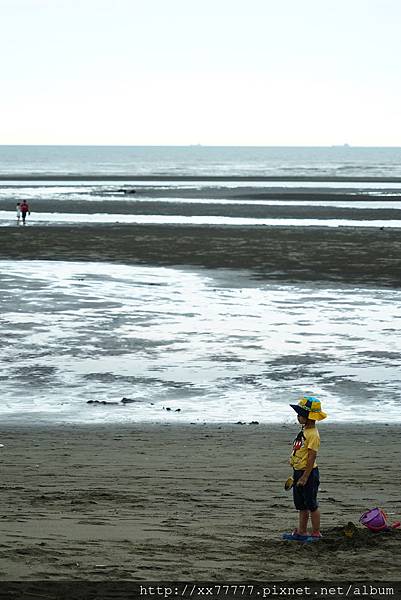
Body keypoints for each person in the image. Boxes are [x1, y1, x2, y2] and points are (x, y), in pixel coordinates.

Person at [282, 396, 327, 541]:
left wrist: (305, 477)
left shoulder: (313, 435)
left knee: (311, 504)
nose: (297, 416)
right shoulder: (304, 431)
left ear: (309, 417)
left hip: (309, 473)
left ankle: (316, 532)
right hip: (298, 472)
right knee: (301, 505)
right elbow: (300, 451)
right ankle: (301, 531)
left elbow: (311, 457)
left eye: (300, 414)